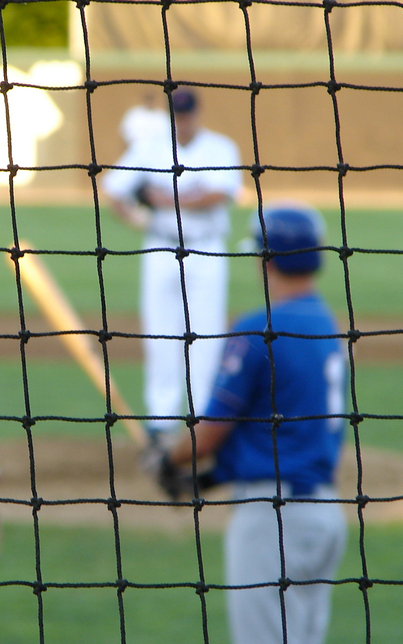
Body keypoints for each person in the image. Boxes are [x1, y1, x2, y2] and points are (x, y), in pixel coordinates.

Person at [159, 205, 347, 644]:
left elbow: (209, 432)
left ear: (266, 260)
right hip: (322, 514)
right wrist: (209, 477)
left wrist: (166, 455)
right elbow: (278, 425)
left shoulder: (257, 328)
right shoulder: (326, 325)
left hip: (273, 523)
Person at [102, 87, 243, 442]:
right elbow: (113, 187)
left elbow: (219, 193)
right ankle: (161, 420)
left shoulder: (220, 147)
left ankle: (203, 417)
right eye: (177, 115)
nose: (183, 121)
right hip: (161, 246)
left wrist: (165, 199)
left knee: (206, 334)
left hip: (206, 250)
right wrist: (135, 217)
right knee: (160, 333)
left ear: (197, 114)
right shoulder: (151, 147)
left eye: (187, 114)